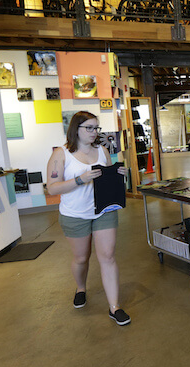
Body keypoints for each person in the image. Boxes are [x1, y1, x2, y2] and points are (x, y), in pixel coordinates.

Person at [46, 111, 130, 326]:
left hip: (103, 211)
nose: (94, 132)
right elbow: (53, 188)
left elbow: (108, 180)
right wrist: (80, 180)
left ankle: (114, 307)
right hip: (75, 214)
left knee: (108, 256)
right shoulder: (61, 154)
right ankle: (81, 288)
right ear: (77, 129)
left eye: (96, 128)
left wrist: (118, 175)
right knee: (82, 258)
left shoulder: (102, 150)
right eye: (89, 128)